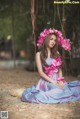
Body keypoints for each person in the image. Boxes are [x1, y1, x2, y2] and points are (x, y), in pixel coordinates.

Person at [10, 28, 80, 104]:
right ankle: (37, 94)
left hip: (57, 80)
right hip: (47, 81)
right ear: (46, 39)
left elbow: (59, 70)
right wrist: (53, 82)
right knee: (53, 92)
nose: (53, 42)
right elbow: (41, 73)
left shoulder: (57, 53)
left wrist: (60, 80)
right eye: (51, 39)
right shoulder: (39, 54)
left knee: (68, 90)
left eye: (55, 40)